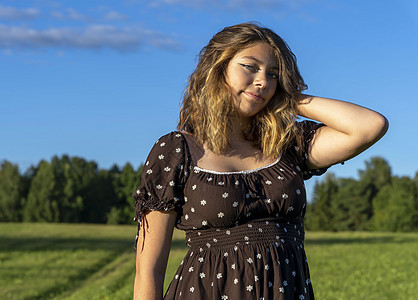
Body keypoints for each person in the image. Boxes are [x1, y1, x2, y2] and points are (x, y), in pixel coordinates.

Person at [132, 22, 388, 300]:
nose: (263, 81)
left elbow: (369, 126)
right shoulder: (176, 150)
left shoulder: (286, 144)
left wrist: (289, 98)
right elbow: (149, 271)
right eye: (250, 67)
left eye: (273, 74)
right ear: (218, 70)